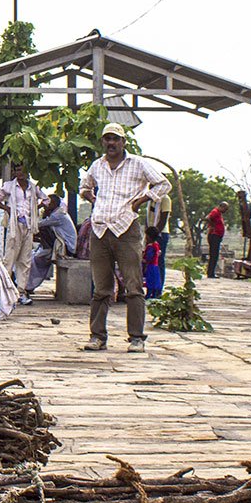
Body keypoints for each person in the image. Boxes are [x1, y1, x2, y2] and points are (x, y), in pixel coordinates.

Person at [79, 123, 171, 353]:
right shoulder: (97, 165)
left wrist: (143, 199)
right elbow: (84, 185)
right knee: (101, 288)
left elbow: (164, 183)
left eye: (115, 139)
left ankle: (136, 337)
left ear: (123, 142)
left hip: (126, 228)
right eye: (107, 139)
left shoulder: (138, 164)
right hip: (100, 230)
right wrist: (89, 196)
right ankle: (97, 336)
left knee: (133, 286)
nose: (111, 143)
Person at [0, 162, 48, 305]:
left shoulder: (33, 187)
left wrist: (36, 208)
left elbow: (46, 199)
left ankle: (21, 292)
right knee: (9, 258)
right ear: (14, 172)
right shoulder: (9, 186)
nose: (20, 172)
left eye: (23, 170)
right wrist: (8, 209)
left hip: (28, 225)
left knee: (25, 260)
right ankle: (4, 291)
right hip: (15, 225)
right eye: (18, 170)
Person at [25, 194, 77, 300]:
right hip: (60, 244)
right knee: (34, 257)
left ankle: (28, 285)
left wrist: (37, 208)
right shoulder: (56, 213)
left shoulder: (58, 215)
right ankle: (27, 285)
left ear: (53, 204)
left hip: (67, 247)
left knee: (37, 260)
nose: (46, 205)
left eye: (48, 203)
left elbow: (38, 225)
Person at [206, 200, 230, 278]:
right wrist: (213, 226)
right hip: (214, 235)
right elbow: (208, 218)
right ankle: (210, 273)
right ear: (221, 206)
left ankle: (211, 272)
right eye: (225, 209)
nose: (225, 211)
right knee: (214, 255)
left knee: (215, 255)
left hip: (217, 236)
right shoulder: (215, 212)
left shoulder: (218, 213)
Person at [147, 191, 172, 261]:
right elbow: (148, 217)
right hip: (150, 233)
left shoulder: (165, 199)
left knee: (159, 259)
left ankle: (160, 272)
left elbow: (164, 219)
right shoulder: (151, 199)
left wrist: (153, 235)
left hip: (160, 233)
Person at [143, 226, 164, 298]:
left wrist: (143, 260)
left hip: (150, 266)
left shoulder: (150, 246)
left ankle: (148, 295)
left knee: (150, 281)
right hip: (156, 266)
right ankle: (154, 295)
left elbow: (149, 256)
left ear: (148, 236)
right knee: (155, 281)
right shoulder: (157, 245)